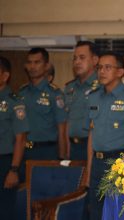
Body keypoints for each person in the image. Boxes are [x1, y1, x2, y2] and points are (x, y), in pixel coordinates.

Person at [86, 51, 124, 220]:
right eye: (99, 68)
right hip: (97, 163)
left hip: (121, 162)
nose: (102, 72)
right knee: (96, 212)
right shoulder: (94, 97)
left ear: (120, 72)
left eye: (107, 67)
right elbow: (92, 134)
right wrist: (89, 170)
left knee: (120, 212)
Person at [19, 47, 67, 163]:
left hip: (47, 151)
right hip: (24, 151)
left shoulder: (55, 94)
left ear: (46, 66)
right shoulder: (22, 92)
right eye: (29, 62)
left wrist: (61, 158)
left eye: (37, 62)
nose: (32, 66)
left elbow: (62, 129)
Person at [0, 56, 29, 220]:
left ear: (5, 76)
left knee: (4, 211)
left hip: (5, 163)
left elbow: (21, 139)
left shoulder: (14, 102)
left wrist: (13, 170)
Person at [65, 41, 99, 160]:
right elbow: (67, 121)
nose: (77, 62)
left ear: (95, 60)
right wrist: (66, 151)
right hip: (73, 148)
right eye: (75, 58)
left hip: (94, 147)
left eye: (82, 58)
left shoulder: (101, 87)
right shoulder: (70, 88)